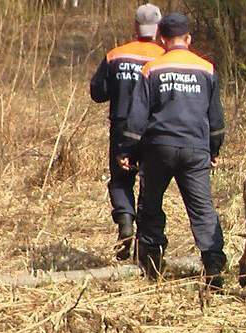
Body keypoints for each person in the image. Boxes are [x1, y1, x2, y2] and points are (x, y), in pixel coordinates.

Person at [120, 13, 227, 286]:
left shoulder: (152, 69)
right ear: (188, 39)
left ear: (162, 40)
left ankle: (151, 261)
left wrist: (128, 150)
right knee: (203, 209)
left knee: (151, 203)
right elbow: (215, 118)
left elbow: (136, 116)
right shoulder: (207, 69)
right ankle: (213, 263)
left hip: (158, 148)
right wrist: (214, 149)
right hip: (195, 148)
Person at [90, 4, 164, 261]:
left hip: (122, 127)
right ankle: (147, 246)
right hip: (154, 129)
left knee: (121, 180)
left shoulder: (115, 55)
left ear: (135, 27)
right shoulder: (164, 57)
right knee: (149, 183)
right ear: (158, 29)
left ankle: (124, 220)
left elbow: (97, 93)